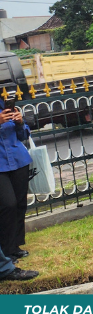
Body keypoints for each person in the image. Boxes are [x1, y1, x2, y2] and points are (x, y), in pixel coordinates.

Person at [0, 98, 33, 265]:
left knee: (20, 204)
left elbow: (23, 135)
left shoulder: (5, 106)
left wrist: (20, 123)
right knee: (8, 205)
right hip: (1, 165)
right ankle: (5, 250)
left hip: (19, 160)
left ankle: (15, 246)